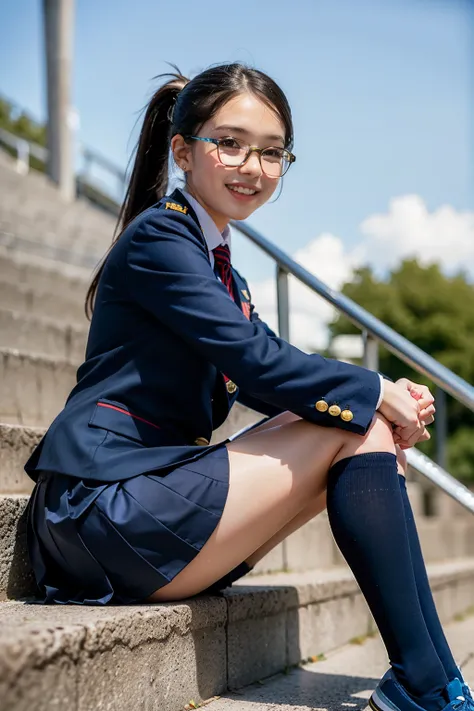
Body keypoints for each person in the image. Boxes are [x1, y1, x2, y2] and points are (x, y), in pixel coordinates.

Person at [24, 62, 472, 711]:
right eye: (229, 143)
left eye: (271, 152)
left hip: (149, 495)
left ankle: (436, 680)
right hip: (100, 508)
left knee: (359, 422)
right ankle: (427, 684)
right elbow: (257, 361)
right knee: (359, 416)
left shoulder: (224, 274)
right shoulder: (161, 238)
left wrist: (376, 398)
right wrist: (374, 388)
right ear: (183, 151)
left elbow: (273, 367)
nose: (252, 167)